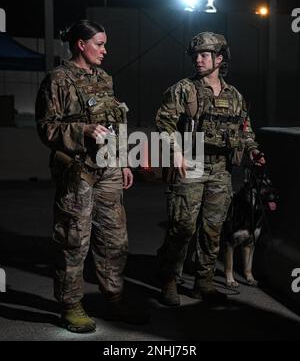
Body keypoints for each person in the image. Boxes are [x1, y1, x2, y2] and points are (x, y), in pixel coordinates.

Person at [35, 19, 147, 333]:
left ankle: (114, 298)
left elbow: (115, 122)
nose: (104, 50)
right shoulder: (58, 79)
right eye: (99, 44)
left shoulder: (105, 79)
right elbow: (46, 127)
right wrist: (82, 130)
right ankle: (71, 306)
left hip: (109, 168)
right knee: (74, 240)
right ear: (80, 45)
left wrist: (125, 161)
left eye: (105, 44)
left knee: (114, 239)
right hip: (77, 170)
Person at [156, 31, 265, 306]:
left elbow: (245, 128)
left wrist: (252, 150)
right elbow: (163, 123)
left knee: (213, 229)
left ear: (219, 59)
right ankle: (170, 279)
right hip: (190, 164)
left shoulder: (235, 96)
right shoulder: (183, 89)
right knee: (182, 227)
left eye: (205, 55)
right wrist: (176, 151)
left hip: (221, 169)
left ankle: (203, 283)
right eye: (196, 55)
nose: (198, 60)